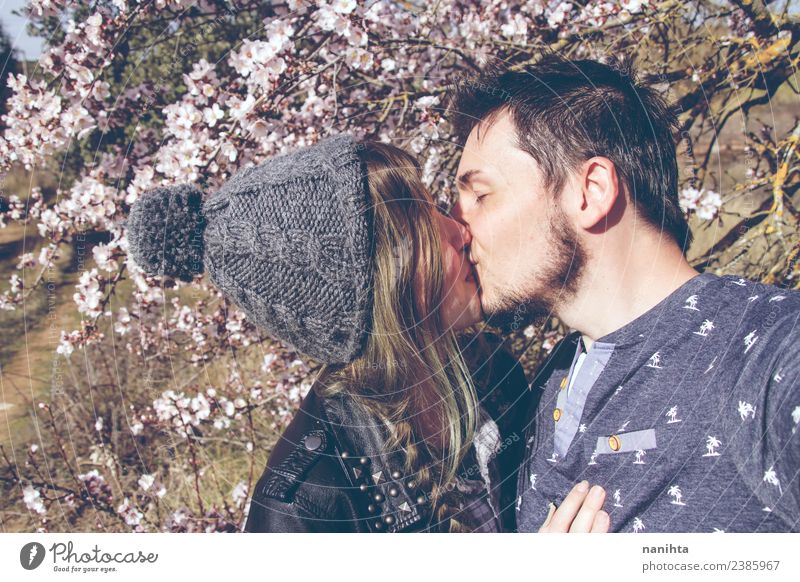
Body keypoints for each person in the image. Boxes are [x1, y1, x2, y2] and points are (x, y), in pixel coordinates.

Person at [126, 134, 609, 532]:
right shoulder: (307, 506)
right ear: (385, 280)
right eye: (426, 222)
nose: (460, 230)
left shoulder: (490, 371)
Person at [447, 55, 800, 533]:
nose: (459, 229)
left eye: (481, 196)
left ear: (589, 192)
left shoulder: (769, 355)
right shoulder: (550, 383)